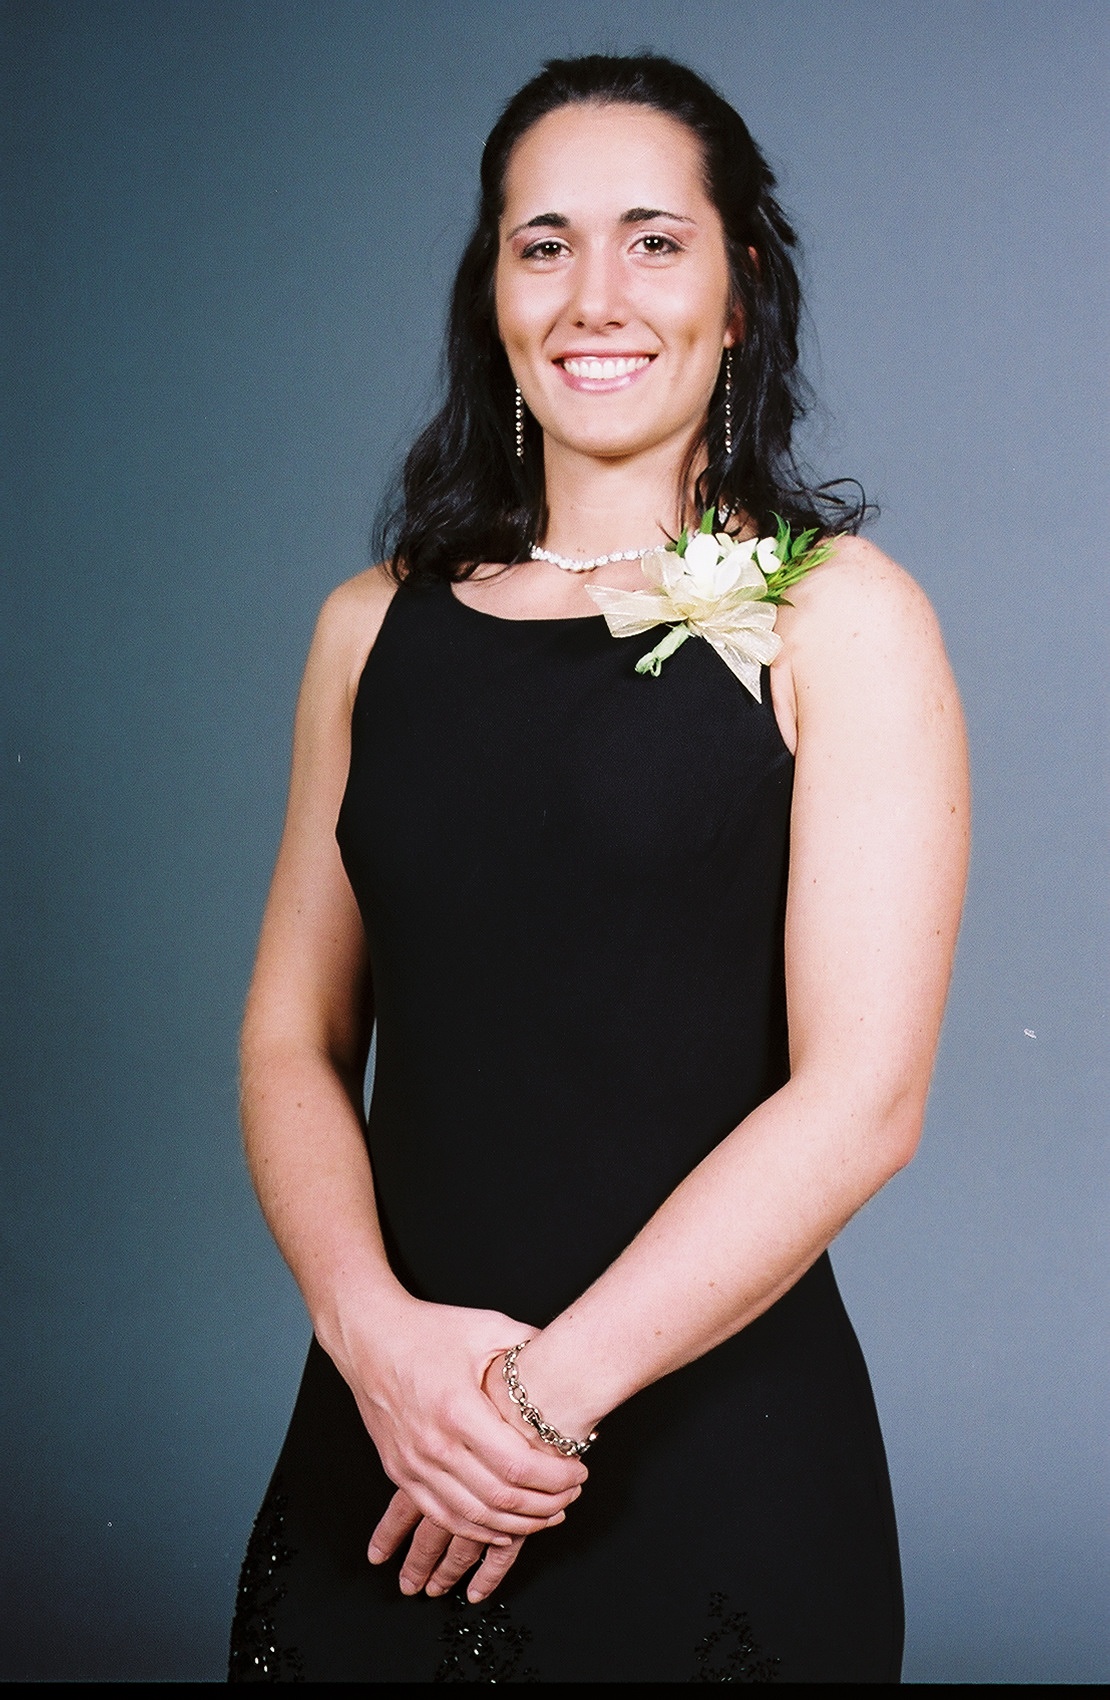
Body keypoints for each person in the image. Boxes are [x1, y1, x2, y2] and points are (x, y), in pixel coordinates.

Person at [227, 53, 969, 1684]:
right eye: (542, 244)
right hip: (389, 1435)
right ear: (492, 292)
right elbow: (290, 1038)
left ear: (738, 289)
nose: (593, 297)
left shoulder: (843, 618)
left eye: (653, 239)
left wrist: (533, 1406)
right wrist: (371, 1341)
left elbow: (863, 1100)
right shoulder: (367, 628)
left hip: (699, 1456)